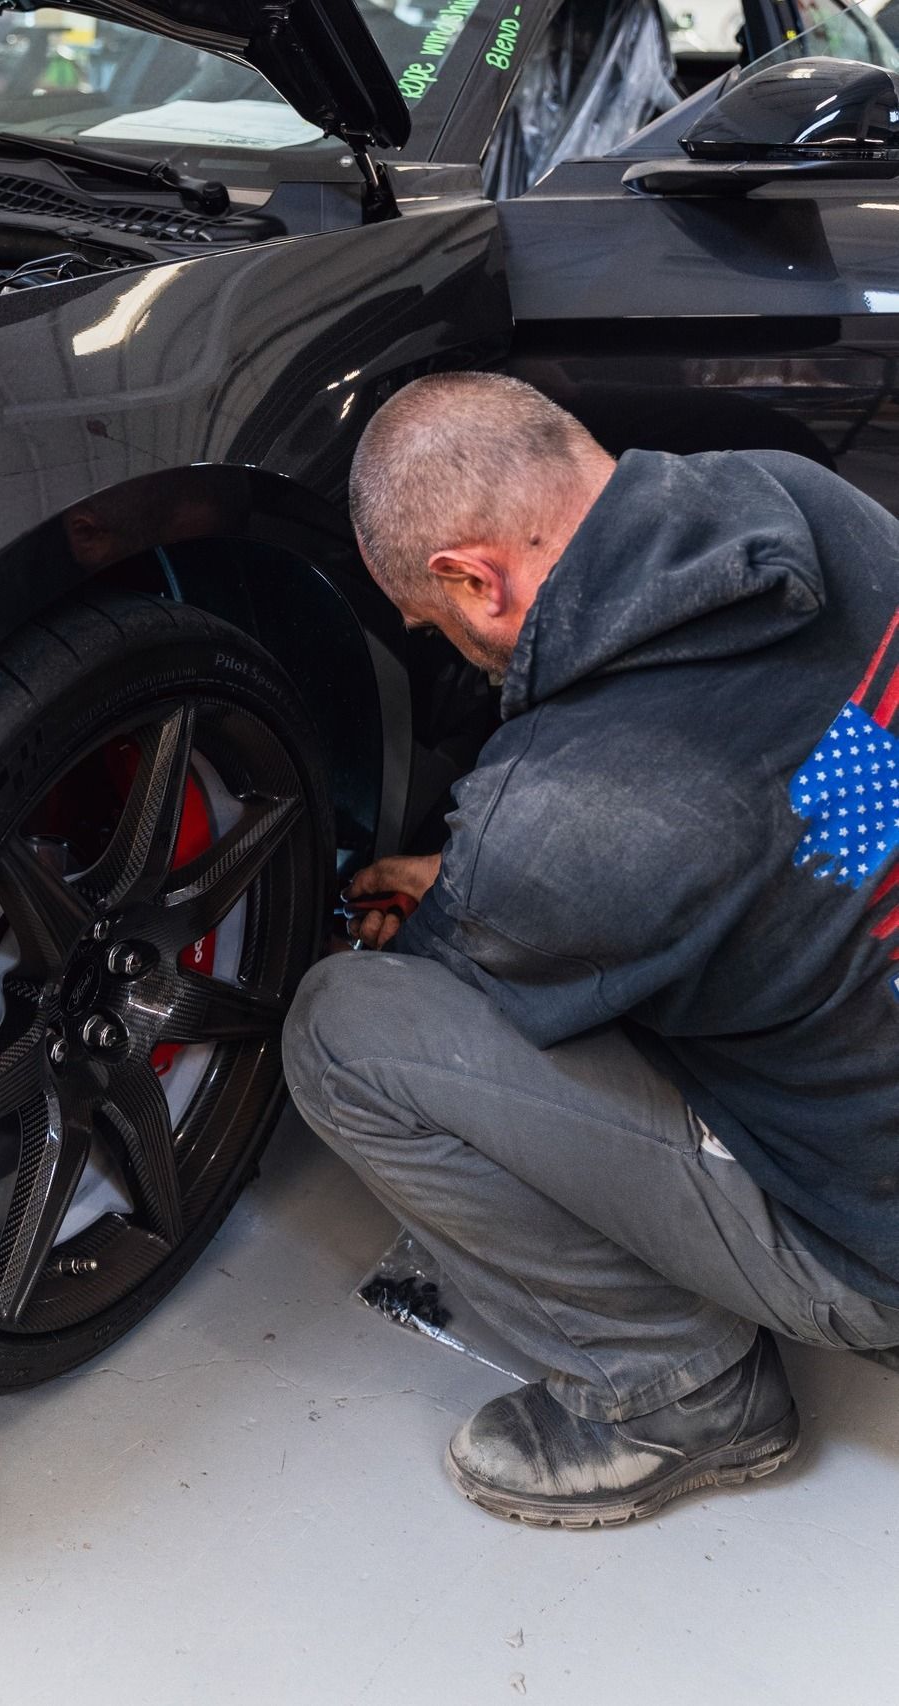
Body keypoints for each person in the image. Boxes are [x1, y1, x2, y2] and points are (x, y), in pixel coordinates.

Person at [282, 372, 899, 1528]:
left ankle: (685, 1394)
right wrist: (501, 869)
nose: (446, 644)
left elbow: (462, 988)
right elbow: (801, 789)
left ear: (475, 576)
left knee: (346, 1032)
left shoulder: (561, 837)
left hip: (875, 1245)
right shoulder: (802, 501)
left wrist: (473, 886)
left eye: (434, 621)